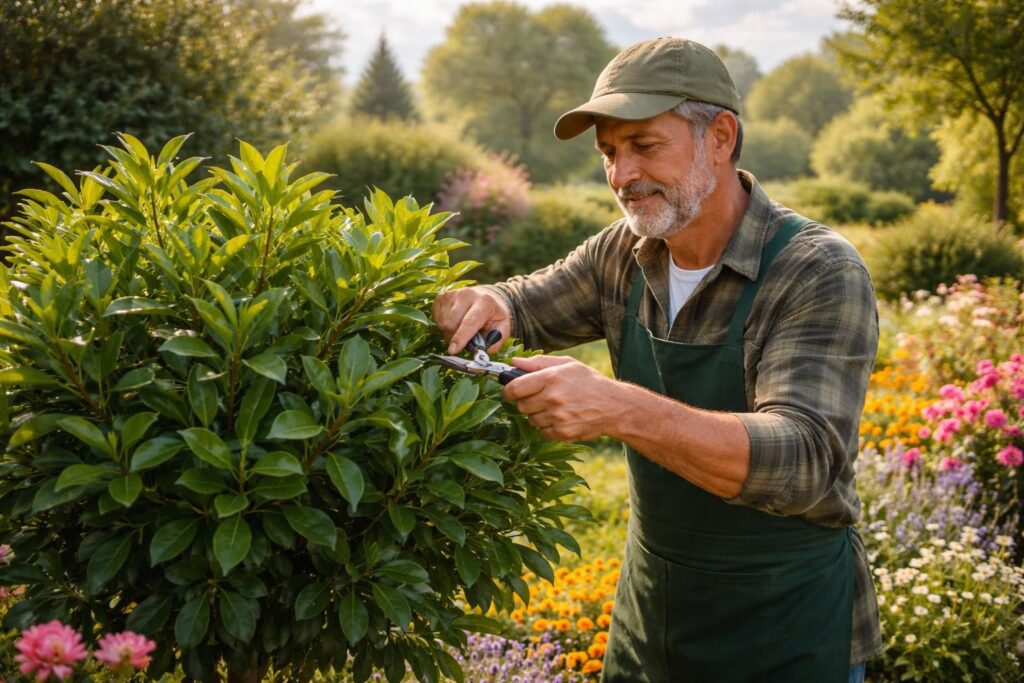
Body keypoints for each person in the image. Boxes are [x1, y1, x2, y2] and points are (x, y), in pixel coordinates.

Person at [431, 37, 881, 683]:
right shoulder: (624, 253)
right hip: (652, 624)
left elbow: (806, 458)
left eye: (644, 145)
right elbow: (521, 305)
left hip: (787, 628)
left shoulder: (815, 268)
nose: (621, 175)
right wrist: (482, 302)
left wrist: (620, 408)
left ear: (720, 137)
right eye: (609, 153)